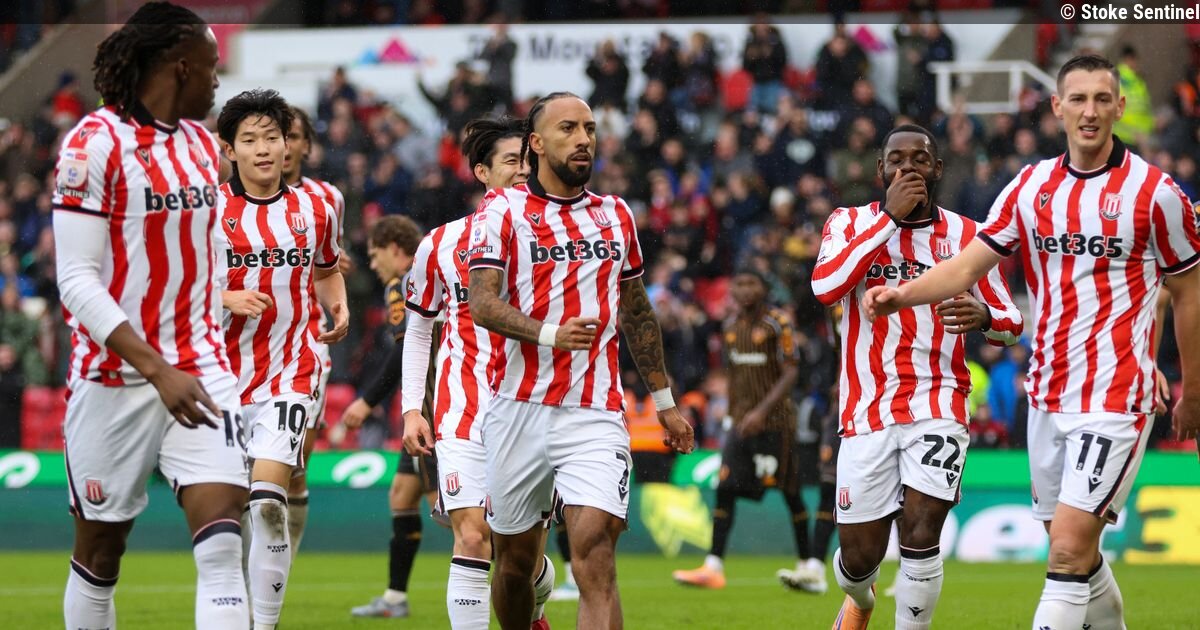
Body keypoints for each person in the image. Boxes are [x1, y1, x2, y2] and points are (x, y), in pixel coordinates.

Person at [864, 55, 1200, 630]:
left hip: (1116, 395)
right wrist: (903, 295)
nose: (1090, 111)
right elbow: (968, 265)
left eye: (1102, 99)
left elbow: (1188, 292)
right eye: (1079, 99)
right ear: (1057, 107)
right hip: (1047, 391)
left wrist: (1194, 386)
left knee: (1066, 550)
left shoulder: (1156, 193)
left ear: (1120, 107)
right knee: (1073, 549)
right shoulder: (1031, 186)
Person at [53, 3, 251, 628]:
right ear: (181, 66)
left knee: (223, 543)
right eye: (213, 67)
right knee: (100, 554)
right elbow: (75, 278)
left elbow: (209, 250)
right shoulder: (93, 145)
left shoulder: (201, 146)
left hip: (201, 369)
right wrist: (157, 370)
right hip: (113, 379)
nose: (218, 81)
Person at [468, 92, 694, 629]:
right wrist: (551, 334)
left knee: (595, 547)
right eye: (568, 128)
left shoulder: (616, 215)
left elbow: (636, 312)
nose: (583, 139)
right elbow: (482, 303)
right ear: (536, 143)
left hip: (594, 410)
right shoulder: (502, 211)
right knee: (515, 563)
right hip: (517, 408)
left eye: (589, 128)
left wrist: (665, 402)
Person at [812, 124, 1023, 630]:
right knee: (858, 560)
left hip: (939, 401)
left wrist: (986, 317)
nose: (909, 168)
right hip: (867, 408)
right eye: (897, 160)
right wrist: (888, 217)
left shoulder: (969, 236)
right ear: (880, 170)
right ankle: (860, 601)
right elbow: (825, 287)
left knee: (922, 531)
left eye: (920, 159)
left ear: (938, 170)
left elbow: (1012, 322)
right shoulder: (848, 222)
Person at [401, 116, 555, 629]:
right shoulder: (441, 243)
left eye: (529, 161)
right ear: (482, 172)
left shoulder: (557, 237)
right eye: (513, 161)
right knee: (472, 537)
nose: (524, 169)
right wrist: (412, 408)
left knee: (522, 558)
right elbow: (419, 330)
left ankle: (534, 603)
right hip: (461, 409)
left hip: (534, 409)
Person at [216, 89, 348, 630]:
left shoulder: (317, 208)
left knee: (270, 501)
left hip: (290, 370)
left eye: (272, 137)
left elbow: (327, 269)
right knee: (225, 515)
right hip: (220, 379)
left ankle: (262, 624)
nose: (266, 149)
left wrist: (338, 304)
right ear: (230, 150)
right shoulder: (208, 212)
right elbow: (178, 289)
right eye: (251, 140)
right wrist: (226, 297)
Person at [673, 268, 818, 591]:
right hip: (740, 424)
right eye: (739, 283)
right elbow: (735, 375)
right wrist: (733, 413)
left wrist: (761, 411)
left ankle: (808, 566)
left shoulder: (777, 323)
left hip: (776, 423)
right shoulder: (729, 327)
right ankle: (713, 566)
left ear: (762, 288)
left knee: (790, 491)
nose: (745, 290)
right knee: (725, 488)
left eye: (751, 283)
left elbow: (791, 372)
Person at [344, 215, 440, 619]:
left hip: (434, 409)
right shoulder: (428, 275)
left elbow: (404, 350)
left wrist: (367, 401)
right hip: (429, 408)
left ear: (396, 250)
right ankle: (395, 598)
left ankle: (521, 571)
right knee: (402, 494)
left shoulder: (402, 285)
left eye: (375, 253)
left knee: (450, 513)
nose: (372, 263)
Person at [280, 104, 348, 558]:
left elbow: (330, 260)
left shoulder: (327, 199)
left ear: (307, 145)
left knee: (295, 464)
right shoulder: (228, 199)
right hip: (241, 344)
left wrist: (337, 276)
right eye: (274, 135)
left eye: (292, 136)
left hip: (305, 340)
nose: (282, 146)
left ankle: (280, 564)